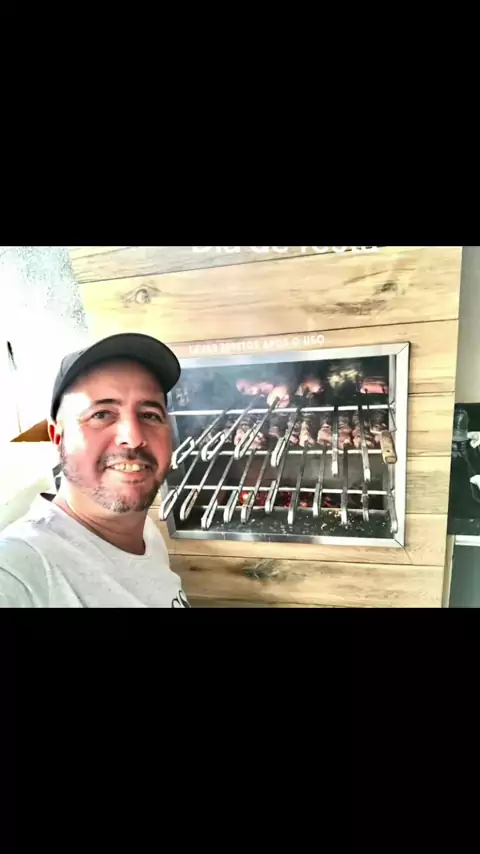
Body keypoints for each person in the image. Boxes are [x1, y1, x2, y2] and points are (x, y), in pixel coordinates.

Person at [0, 333, 190, 608]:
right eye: (101, 414)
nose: (133, 438)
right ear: (58, 437)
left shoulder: (146, 533)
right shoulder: (23, 566)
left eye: (150, 415)